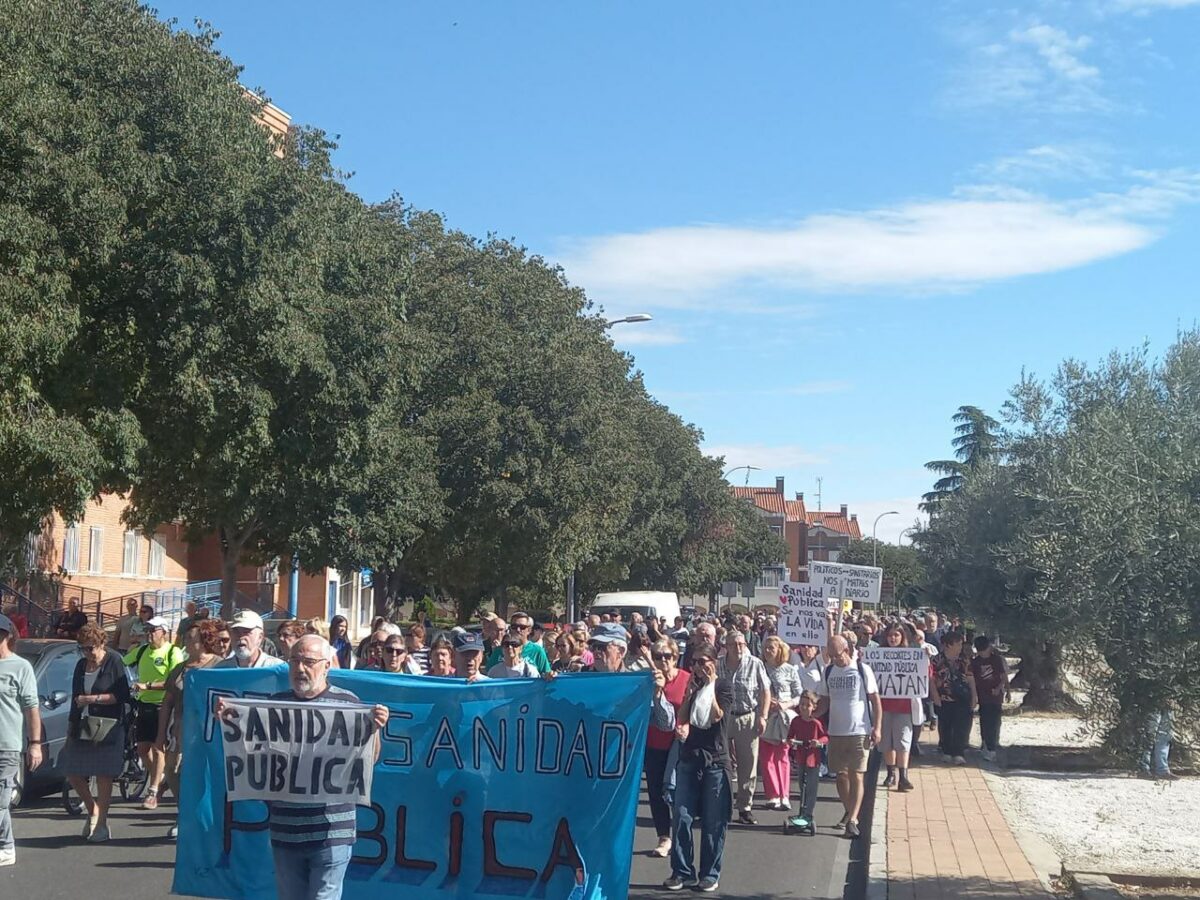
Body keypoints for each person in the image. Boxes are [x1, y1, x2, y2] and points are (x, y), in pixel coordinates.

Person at [219, 635, 389, 900]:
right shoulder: (275, 706)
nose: (300, 668)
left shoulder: (350, 704)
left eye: (308, 661)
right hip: (286, 829)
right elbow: (254, 756)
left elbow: (370, 759)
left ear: (326, 666)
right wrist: (232, 720)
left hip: (333, 830)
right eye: (294, 661)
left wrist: (375, 730)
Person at [664, 644, 730, 893]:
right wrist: (690, 691)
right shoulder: (693, 687)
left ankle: (710, 874)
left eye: (704, 661)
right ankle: (681, 871)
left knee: (714, 821)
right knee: (681, 816)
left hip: (715, 761)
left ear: (714, 661)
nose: (699, 666)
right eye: (695, 662)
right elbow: (682, 719)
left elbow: (716, 716)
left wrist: (711, 684)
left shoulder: (723, 687)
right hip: (690, 759)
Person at [59, 623, 131, 843]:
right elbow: (75, 697)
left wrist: (94, 699)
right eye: (83, 648)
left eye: (91, 648)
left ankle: (102, 825)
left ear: (102, 644)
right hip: (84, 723)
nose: (88, 653)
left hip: (109, 725)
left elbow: (123, 695)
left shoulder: (114, 661)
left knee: (103, 775)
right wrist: (71, 726)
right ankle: (93, 810)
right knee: (72, 771)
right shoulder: (81, 665)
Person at [157, 619, 222, 839]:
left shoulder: (220, 666)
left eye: (191, 638)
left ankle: (201, 820)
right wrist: (160, 735)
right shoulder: (179, 669)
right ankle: (185, 814)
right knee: (173, 773)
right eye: (185, 638)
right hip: (179, 731)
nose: (186, 641)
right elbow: (167, 702)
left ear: (205, 641)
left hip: (207, 731)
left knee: (201, 777)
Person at [815, 635, 882, 839]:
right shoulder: (828, 672)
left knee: (857, 774)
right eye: (831, 655)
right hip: (836, 731)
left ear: (847, 650)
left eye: (838, 654)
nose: (835, 659)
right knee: (841, 776)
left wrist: (877, 728)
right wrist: (810, 714)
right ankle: (849, 809)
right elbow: (825, 702)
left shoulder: (862, 670)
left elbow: (876, 701)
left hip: (859, 730)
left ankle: (852, 819)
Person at [121, 616, 184, 810]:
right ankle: (161, 775)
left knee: (159, 748)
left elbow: (174, 682)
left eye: (153, 630)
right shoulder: (141, 651)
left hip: (164, 706)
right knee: (142, 749)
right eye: (147, 630)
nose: (149, 634)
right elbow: (121, 663)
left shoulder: (173, 652)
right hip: (144, 705)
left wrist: (147, 685)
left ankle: (153, 791)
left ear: (164, 632)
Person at [0, 612, 43, 867]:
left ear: (5, 636)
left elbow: (32, 708)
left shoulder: (20, 667)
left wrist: (35, 744)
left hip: (7, 746)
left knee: (1, 800)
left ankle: (6, 847)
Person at [717, 631, 771, 825]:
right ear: (727, 646)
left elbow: (765, 690)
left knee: (748, 764)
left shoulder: (755, 663)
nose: (738, 647)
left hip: (747, 717)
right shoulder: (718, 663)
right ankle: (721, 805)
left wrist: (763, 716)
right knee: (721, 763)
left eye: (741, 643)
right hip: (723, 717)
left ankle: (745, 807)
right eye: (734, 644)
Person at [646, 638, 690, 858]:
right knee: (655, 793)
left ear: (675, 657)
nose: (663, 661)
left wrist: (687, 726)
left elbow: (696, 709)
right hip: (653, 744)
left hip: (679, 746)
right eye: (657, 656)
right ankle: (664, 836)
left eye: (667, 656)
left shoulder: (687, 680)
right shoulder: (647, 680)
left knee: (678, 793)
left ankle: (682, 836)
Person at [759, 636, 802, 811]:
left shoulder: (790, 670)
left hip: (784, 717)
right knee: (766, 757)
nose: (768, 651)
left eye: (771, 648)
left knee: (782, 756)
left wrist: (785, 704)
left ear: (780, 650)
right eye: (766, 648)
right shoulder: (760, 668)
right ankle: (773, 795)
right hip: (765, 715)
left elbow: (799, 695)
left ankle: (785, 795)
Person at [879, 624, 923, 791]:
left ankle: (903, 776)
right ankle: (891, 773)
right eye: (890, 635)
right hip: (883, 707)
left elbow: (924, 674)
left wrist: (924, 658)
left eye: (897, 635)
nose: (893, 638)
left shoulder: (912, 655)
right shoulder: (878, 655)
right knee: (887, 742)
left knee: (903, 742)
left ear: (902, 637)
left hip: (904, 707)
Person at [931, 631, 976, 764]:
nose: (960, 646)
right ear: (948, 645)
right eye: (958, 644)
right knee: (945, 726)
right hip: (944, 698)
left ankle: (958, 752)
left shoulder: (964, 660)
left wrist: (974, 696)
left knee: (962, 725)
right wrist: (935, 697)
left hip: (962, 698)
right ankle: (946, 751)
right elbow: (931, 680)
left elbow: (970, 678)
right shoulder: (936, 660)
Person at [785, 691, 827, 830]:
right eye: (802, 704)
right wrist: (791, 741)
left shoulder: (816, 723)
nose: (804, 707)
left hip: (813, 759)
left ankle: (808, 814)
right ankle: (801, 813)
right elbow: (790, 736)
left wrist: (818, 742)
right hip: (801, 757)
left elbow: (825, 737)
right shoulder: (796, 721)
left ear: (813, 707)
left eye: (807, 705)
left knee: (811, 787)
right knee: (801, 785)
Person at [971, 634, 1010, 762]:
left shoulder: (996, 660)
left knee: (994, 721)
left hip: (996, 697)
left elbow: (1003, 677)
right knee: (985, 720)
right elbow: (973, 680)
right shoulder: (975, 662)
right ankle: (986, 743)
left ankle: (992, 746)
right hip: (983, 697)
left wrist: (1002, 689)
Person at [483, 611, 550, 674]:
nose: (518, 630)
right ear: (510, 628)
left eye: (522, 627)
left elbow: (546, 675)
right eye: (514, 627)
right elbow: (489, 675)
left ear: (529, 630)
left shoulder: (537, 651)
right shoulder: (499, 650)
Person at [215, 610, 285, 670]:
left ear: (260, 637)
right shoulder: (220, 669)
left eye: (246, 631)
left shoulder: (277, 668)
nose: (240, 636)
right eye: (236, 631)